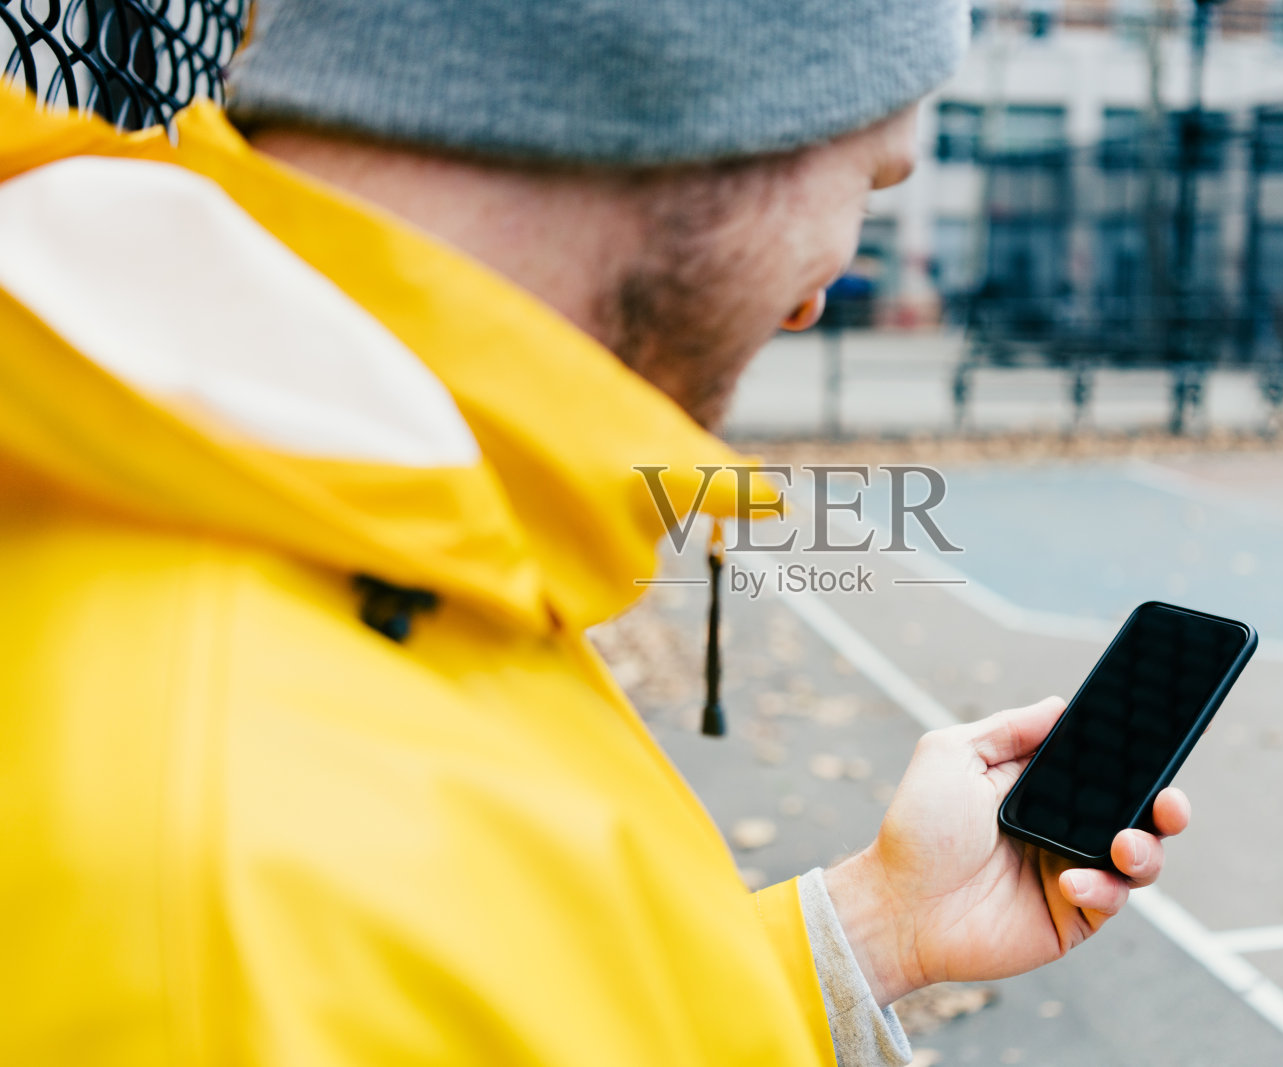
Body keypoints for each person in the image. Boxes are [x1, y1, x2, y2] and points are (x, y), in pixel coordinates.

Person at [0, 2, 1189, 1064]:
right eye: (862, 184)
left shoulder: (355, 510)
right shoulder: (226, 886)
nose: (821, 286)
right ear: (689, 102)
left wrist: (869, 927)